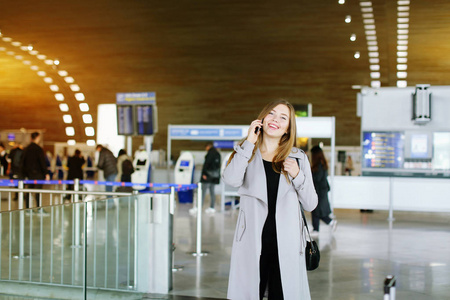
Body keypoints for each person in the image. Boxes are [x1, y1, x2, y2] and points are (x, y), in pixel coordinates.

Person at [223, 99, 318, 300]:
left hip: (287, 243)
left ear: (287, 129)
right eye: (272, 114)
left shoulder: (298, 158)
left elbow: (311, 203)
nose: (275, 120)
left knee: (282, 294)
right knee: (250, 293)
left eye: (283, 118)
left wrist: (298, 175)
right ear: (262, 119)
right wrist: (249, 142)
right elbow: (230, 179)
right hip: (252, 240)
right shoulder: (247, 152)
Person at [310, 145, 337, 236]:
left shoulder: (319, 165)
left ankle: (330, 222)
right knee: (316, 210)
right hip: (320, 191)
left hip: (319, 191)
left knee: (318, 211)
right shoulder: (321, 164)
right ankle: (316, 229)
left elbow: (317, 179)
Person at [21, 132, 50, 209]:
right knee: (38, 192)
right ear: (37, 137)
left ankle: (27, 208)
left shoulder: (27, 148)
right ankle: (39, 207)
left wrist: (24, 173)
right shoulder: (38, 149)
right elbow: (42, 162)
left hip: (29, 174)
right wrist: (46, 173)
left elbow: (23, 161)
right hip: (38, 174)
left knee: (29, 191)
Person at [201, 142, 221, 214]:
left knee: (203, 191)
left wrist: (204, 174)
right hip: (214, 176)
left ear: (208, 147)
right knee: (212, 191)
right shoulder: (217, 154)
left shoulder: (210, 153)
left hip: (207, 176)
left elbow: (206, 164)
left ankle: (200, 206)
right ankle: (212, 207)